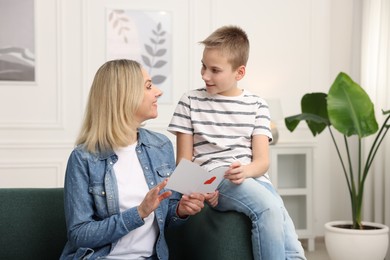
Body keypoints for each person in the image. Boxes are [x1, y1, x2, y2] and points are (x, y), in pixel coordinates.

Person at [168, 25, 306, 260]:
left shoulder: (257, 105)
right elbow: (183, 162)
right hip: (215, 177)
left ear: (239, 72)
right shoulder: (190, 101)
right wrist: (202, 186)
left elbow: (262, 162)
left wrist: (246, 170)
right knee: (269, 207)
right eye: (203, 66)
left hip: (254, 180)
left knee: (293, 248)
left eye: (215, 70)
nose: (205, 75)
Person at [60, 59, 205, 260]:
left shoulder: (160, 146)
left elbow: (167, 214)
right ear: (124, 97)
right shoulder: (84, 158)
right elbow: (79, 235)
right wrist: (138, 213)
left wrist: (181, 210)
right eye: (148, 86)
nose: (158, 92)